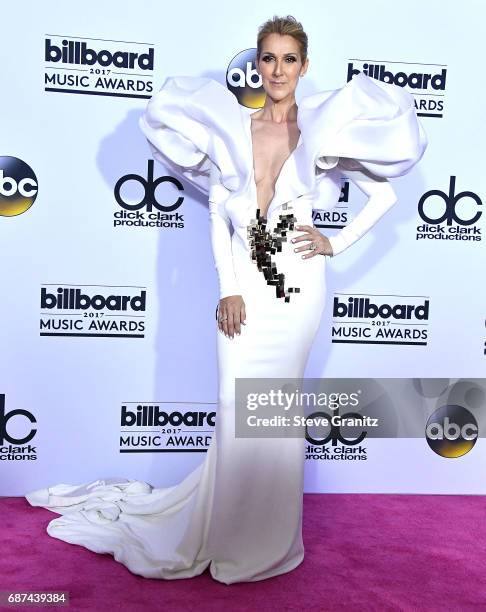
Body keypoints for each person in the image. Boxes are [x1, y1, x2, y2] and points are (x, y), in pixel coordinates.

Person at [25, 16, 428, 585]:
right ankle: (223, 529)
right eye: (269, 58)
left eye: (290, 59)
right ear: (255, 65)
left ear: (304, 66)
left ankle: (266, 543)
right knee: (238, 411)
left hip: (299, 292)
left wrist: (336, 242)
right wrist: (230, 288)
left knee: (274, 415)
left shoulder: (321, 133)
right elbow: (218, 216)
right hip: (247, 293)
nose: (279, 69)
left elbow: (384, 196)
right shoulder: (229, 128)